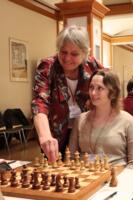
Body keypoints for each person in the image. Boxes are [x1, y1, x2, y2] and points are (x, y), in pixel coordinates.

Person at [32, 25, 103, 162]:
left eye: (74, 54)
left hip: (86, 131)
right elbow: (40, 102)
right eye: (63, 52)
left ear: (85, 53)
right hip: (55, 134)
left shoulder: (93, 65)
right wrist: (44, 135)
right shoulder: (47, 67)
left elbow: (110, 88)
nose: (67, 58)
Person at [69, 70, 133, 169]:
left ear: (113, 92)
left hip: (116, 179)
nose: (93, 93)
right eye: (91, 87)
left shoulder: (128, 121)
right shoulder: (80, 120)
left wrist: (115, 179)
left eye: (100, 88)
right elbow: (72, 158)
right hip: (85, 177)